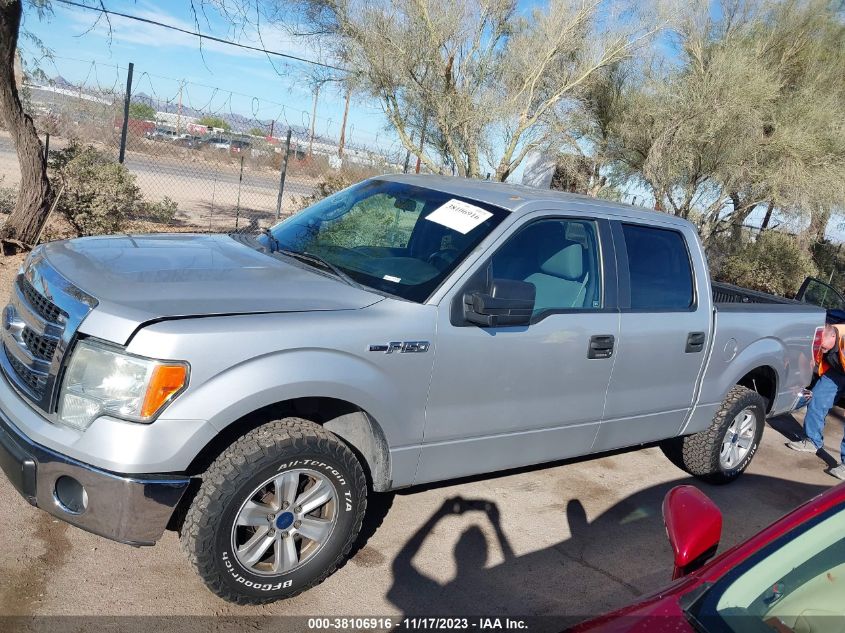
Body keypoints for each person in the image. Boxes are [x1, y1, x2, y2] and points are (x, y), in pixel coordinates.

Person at [788, 324, 845, 480]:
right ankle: (812, 441)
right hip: (838, 370)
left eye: (822, 343)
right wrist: (801, 382)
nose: (819, 346)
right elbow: (806, 358)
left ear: (833, 337)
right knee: (817, 398)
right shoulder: (823, 335)